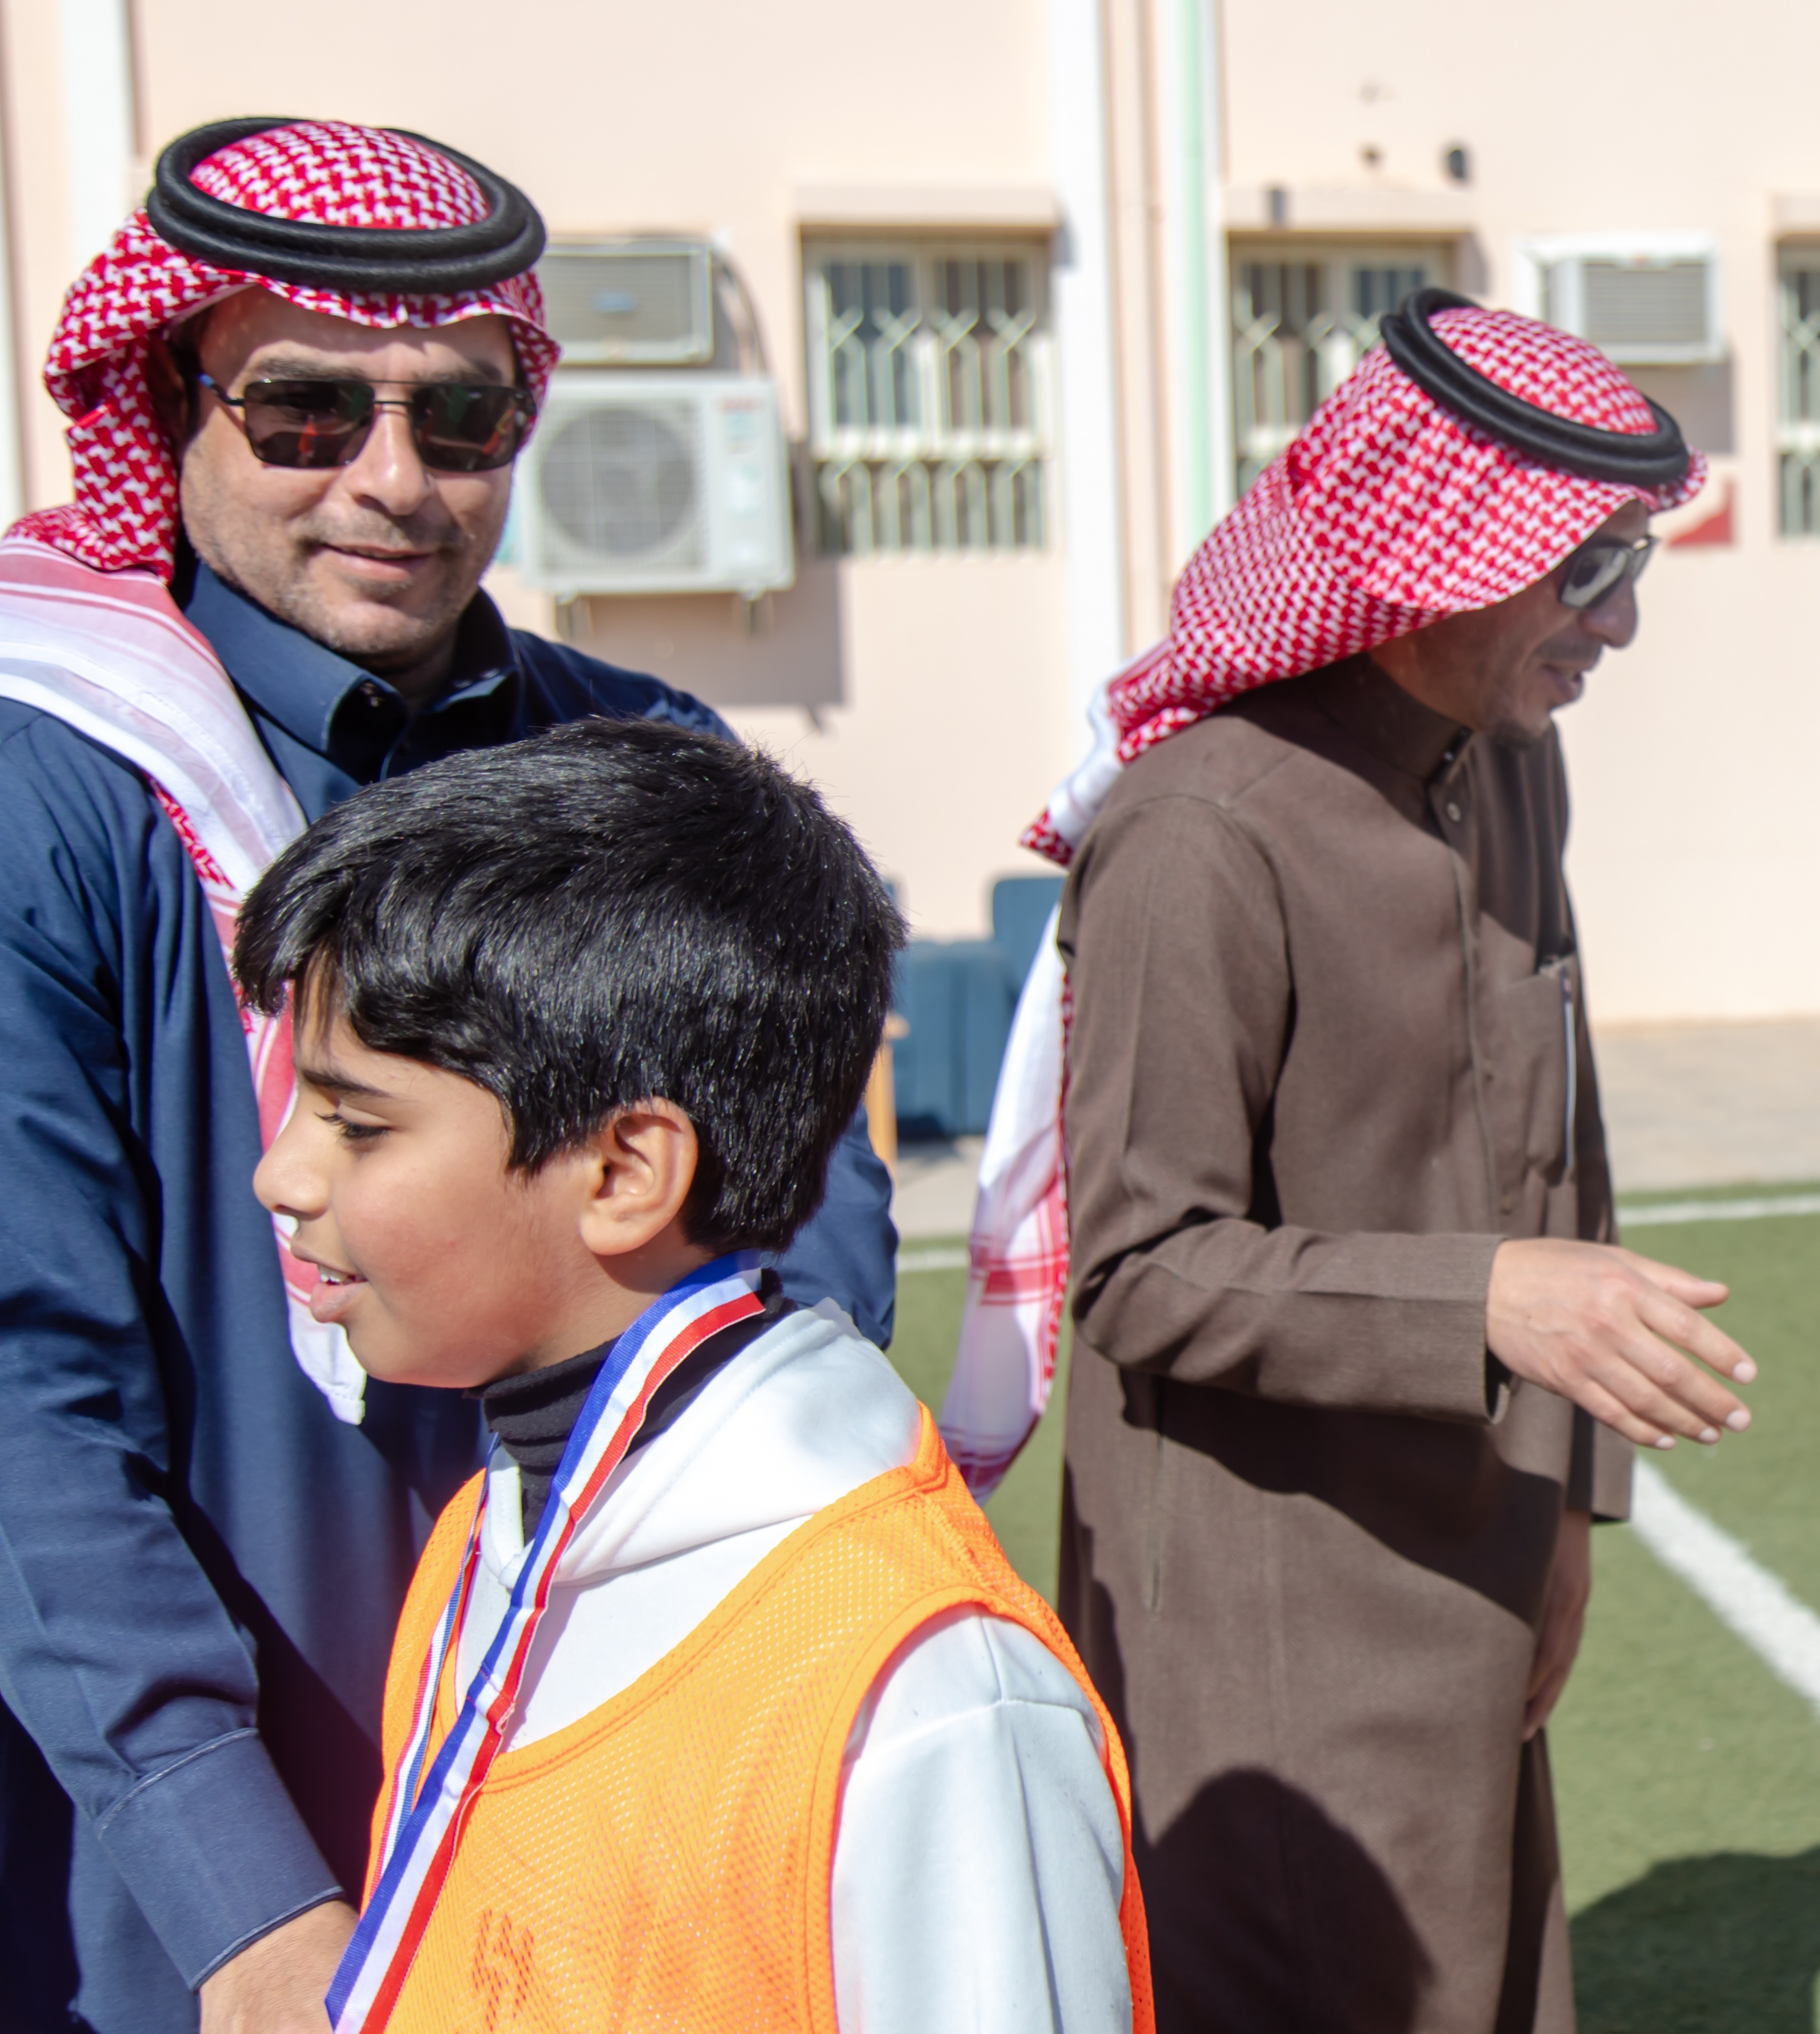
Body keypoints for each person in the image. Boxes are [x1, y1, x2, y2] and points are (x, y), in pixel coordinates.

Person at [0, 119, 896, 2034]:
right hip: (216, 1872)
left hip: (626, 1745)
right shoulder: (46, 786)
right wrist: (241, 1903)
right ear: (169, 398)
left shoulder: (647, 756)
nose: (394, 483)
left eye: (461, 420)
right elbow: (25, 1407)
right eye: (308, 413)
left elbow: (808, 1235)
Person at [943, 290, 1753, 2033]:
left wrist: (1573, 1517)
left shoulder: (1509, 768)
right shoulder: (1199, 833)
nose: (1616, 623)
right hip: (1272, 1619)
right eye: (1583, 569)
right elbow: (1141, 1269)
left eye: (1636, 567)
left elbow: (1559, 1146)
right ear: (1441, 558)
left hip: (1479, 1542)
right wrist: (1491, 1302)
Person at [225, 720, 1143, 2031]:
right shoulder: (495, 1529)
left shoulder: (924, 1685)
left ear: (622, 1173)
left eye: (359, 1123)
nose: (286, 1176)